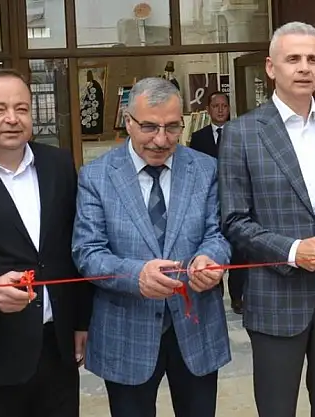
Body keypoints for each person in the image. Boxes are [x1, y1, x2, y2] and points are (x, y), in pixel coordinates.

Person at [218, 21, 315, 417]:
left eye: (312, 59)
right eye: (293, 59)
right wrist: (292, 251)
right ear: (271, 67)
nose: (304, 67)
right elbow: (234, 219)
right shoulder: (242, 134)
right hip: (276, 299)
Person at [72, 77, 232, 417]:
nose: (161, 140)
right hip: (127, 329)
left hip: (196, 325)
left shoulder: (205, 169)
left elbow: (217, 234)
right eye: (149, 127)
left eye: (172, 128)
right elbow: (88, 251)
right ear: (128, 122)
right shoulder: (96, 176)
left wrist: (211, 258)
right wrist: (136, 276)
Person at [0, 68, 91, 417]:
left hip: (57, 348)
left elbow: (74, 245)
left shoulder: (58, 163)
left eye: (22, 108)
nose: (12, 118)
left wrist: (81, 321)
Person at [190, 91, 245, 315]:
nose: (220, 110)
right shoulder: (198, 137)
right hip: (210, 200)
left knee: (239, 249)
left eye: (224, 106)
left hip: (236, 199)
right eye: (216, 106)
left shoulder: (239, 132)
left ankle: (238, 296)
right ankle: (216, 290)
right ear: (208, 110)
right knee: (211, 245)